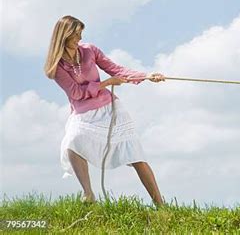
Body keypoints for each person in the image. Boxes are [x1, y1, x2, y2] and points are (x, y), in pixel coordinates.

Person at [44, 15, 165, 205]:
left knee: (135, 156)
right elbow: (76, 93)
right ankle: (88, 195)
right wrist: (106, 83)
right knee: (72, 143)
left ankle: (160, 204)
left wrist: (147, 76)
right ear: (64, 36)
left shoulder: (89, 50)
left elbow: (115, 69)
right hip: (83, 113)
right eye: (76, 35)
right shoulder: (57, 66)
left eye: (80, 34)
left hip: (110, 109)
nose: (80, 39)